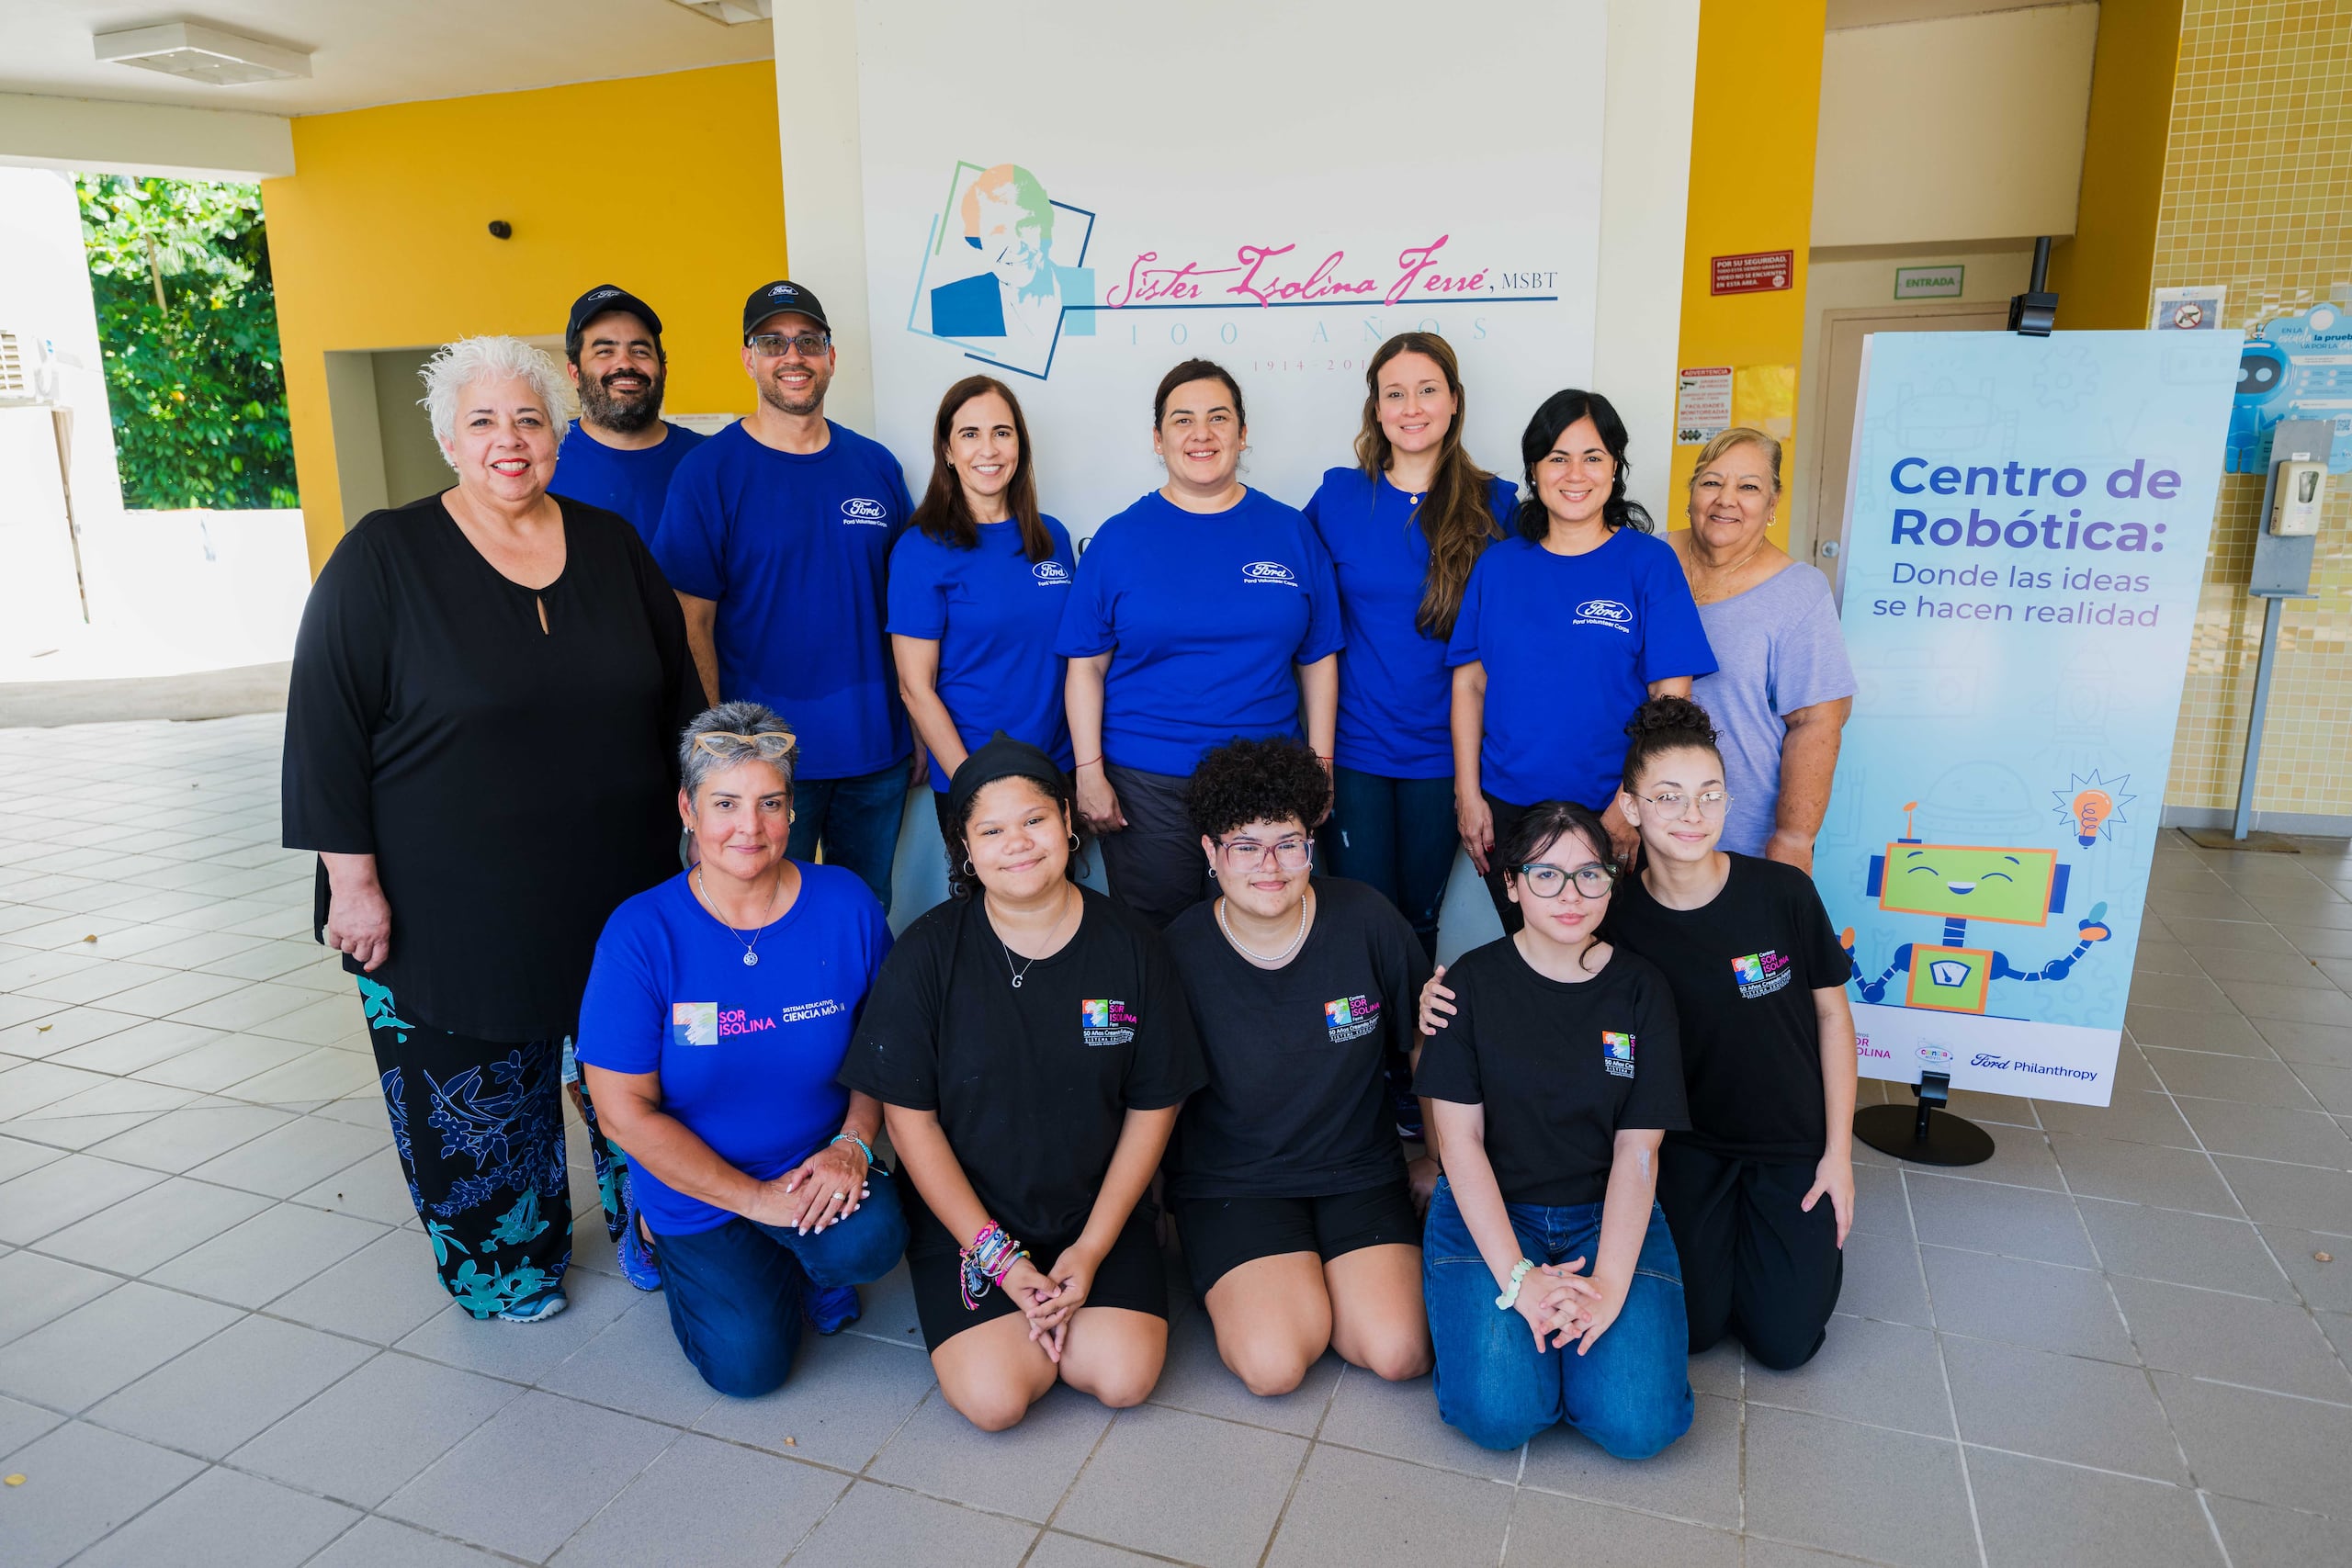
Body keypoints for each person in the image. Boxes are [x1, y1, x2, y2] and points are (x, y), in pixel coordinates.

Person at [282, 335, 700, 1323]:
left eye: (528, 419)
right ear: (448, 440)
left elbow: (680, 702)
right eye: (483, 421)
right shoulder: (382, 558)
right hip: (446, 900)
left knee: (635, 1066)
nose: (508, 440)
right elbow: (324, 733)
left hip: (619, 883)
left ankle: (660, 1229)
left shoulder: (612, 546)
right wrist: (354, 885)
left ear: (558, 433)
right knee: (477, 1091)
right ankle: (508, 1265)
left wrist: (705, 827)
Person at [841, 737, 1205, 1429]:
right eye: (991, 831)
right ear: (965, 847)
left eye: (1034, 820)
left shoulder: (1133, 945)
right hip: (971, 1219)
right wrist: (1000, 1261)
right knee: (997, 1399)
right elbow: (909, 1120)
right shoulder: (927, 953)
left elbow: (1155, 1105)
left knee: (1123, 1376)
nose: (1018, 844)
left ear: (1067, 820)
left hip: (1096, 1211)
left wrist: (1092, 1248)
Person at [575, 705, 908, 1396]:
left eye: (770, 803)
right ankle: (657, 1234)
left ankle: (798, 1258)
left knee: (873, 1241)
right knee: (748, 1370)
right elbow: (622, 1114)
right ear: (688, 810)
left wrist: (853, 1142)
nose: (749, 827)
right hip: (695, 1183)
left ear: (792, 810)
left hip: (813, 1164)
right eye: (725, 803)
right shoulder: (641, 933)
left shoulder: (846, 905)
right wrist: (756, 1200)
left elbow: (885, 1044)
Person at [1412, 800, 1694, 1457]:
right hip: (1494, 1205)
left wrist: (1609, 1286)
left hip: (1603, 1209)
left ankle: (1570, 1351)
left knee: (1639, 1425)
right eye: (1546, 875)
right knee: (1499, 1416)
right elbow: (1459, 1144)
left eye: (1590, 874)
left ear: (1611, 882)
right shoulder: (1468, 984)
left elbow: (1639, 1151)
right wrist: (1521, 1278)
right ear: (1512, 884)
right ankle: (1542, 1350)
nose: (1571, 895)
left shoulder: (1642, 989)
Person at [1162, 738, 1432, 1397]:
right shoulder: (1178, 951)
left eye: (1288, 843)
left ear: (1311, 843)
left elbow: (1425, 1038)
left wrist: (1437, 1156)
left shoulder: (1366, 918)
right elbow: (1152, 1095)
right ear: (1210, 852)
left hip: (1357, 1169)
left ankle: (1323, 1276)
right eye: (1245, 846)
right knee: (1275, 1364)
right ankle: (1285, 1283)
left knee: (1399, 1352)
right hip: (1235, 1181)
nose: (1270, 866)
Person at [1603, 697, 1856, 1371]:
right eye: (1668, 796)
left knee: (1784, 1342)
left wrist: (1838, 1155)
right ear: (1630, 807)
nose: (1693, 814)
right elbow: (1545, 988)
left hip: (1790, 1143)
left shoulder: (1783, 894)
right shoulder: (1616, 921)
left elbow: (1833, 1017)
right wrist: (1445, 1001)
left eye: (1709, 794)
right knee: (1695, 1329)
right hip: (1691, 1146)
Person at [654, 279, 918, 910]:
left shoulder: (876, 466)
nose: (792, 355)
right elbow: (691, 623)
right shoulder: (708, 473)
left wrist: (916, 725)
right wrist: (717, 752)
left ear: (831, 356)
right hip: (760, 763)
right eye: (773, 342)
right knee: (758, 914)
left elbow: (909, 610)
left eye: (808, 341)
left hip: (874, 750)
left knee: (864, 912)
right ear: (749, 358)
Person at [1059, 358, 1343, 929]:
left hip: (1266, 784)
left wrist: (1321, 767)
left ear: (1242, 432)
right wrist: (1089, 772)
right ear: (1158, 439)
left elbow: (1318, 659)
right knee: (1155, 941)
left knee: (1266, 935)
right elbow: (1085, 667)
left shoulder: (1291, 532)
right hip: (1147, 788)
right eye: (1182, 420)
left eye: (1218, 417)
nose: (1202, 434)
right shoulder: (1119, 539)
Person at [1449, 389, 1714, 931]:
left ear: (1615, 467)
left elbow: (1670, 700)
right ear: (1534, 469)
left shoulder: (1649, 563)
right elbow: (1469, 686)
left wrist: (1628, 805)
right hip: (1509, 811)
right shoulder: (1498, 566)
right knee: (1532, 957)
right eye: (1557, 458)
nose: (1575, 474)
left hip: (1610, 808)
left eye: (1593, 457)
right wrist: (1468, 794)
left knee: (1608, 961)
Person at [1306, 332, 1518, 959]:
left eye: (1428, 390)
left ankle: (1416, 1026)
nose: (1412, 407)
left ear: (1454, 400)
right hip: (1353, 751)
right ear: (1376, 409)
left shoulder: (1497, 504)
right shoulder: (1338, 497)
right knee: (1358, 920)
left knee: (1421, 923)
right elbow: (1294, 611)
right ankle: (1368, 1029)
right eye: (1394, 394)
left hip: (1448, 755)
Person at [889, 376, 1078, 845]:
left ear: (1020, 445)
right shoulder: (921, 549)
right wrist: (972, 784)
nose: (988, 449)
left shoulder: (1052, 538)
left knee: (1060, 890)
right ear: (948, 451)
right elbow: (915, 688)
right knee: (990, 893)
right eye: (970, 434)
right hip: (972, 772)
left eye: (1002, 432)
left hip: (1056, 766)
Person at [1669, 428, 1855, 871]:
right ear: (1691, 493)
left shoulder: (1799, 591)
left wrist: (1794, 840)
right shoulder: (1647, 559)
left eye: (1748, 487)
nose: (1726, 500)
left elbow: (1817, 723)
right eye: (1712, 482)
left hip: (1737, 836)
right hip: (1630, 819)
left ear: (1773, 504)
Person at [548, 284, 707, 545]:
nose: (625, 363)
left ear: (663, 371)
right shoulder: (542, 460)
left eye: (640, 351)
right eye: (605, 351)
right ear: (575, 373)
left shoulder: (707, 460)